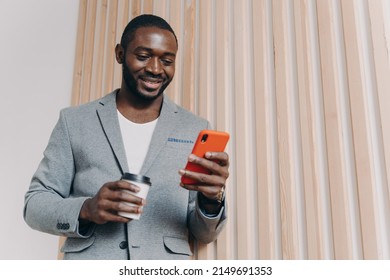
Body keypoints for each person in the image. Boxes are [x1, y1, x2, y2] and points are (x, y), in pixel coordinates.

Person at [23, 14, 229, 260]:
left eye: (167, 60)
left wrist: (211, 201)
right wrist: (86, 208)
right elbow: (34, 205)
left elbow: (204, 234)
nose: (155, 68)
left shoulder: (194, 128)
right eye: (143, 56)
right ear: (120, 54)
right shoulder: (74, 122)